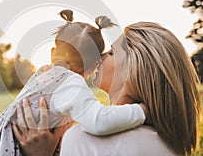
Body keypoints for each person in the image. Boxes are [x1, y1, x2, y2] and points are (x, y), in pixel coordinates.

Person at [13, 22, 201, 156]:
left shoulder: (83, 140)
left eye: (111, 52)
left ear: (134, 71)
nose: (100, 56)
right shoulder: (166, 143)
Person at [0, 10, 147, 155]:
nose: (105, 56)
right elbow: (98, 121)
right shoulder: (70, 83)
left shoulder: (43, 75)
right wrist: (141, 111)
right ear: (94, 65)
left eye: (111, 52)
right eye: (107, 52)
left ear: (53, 53)